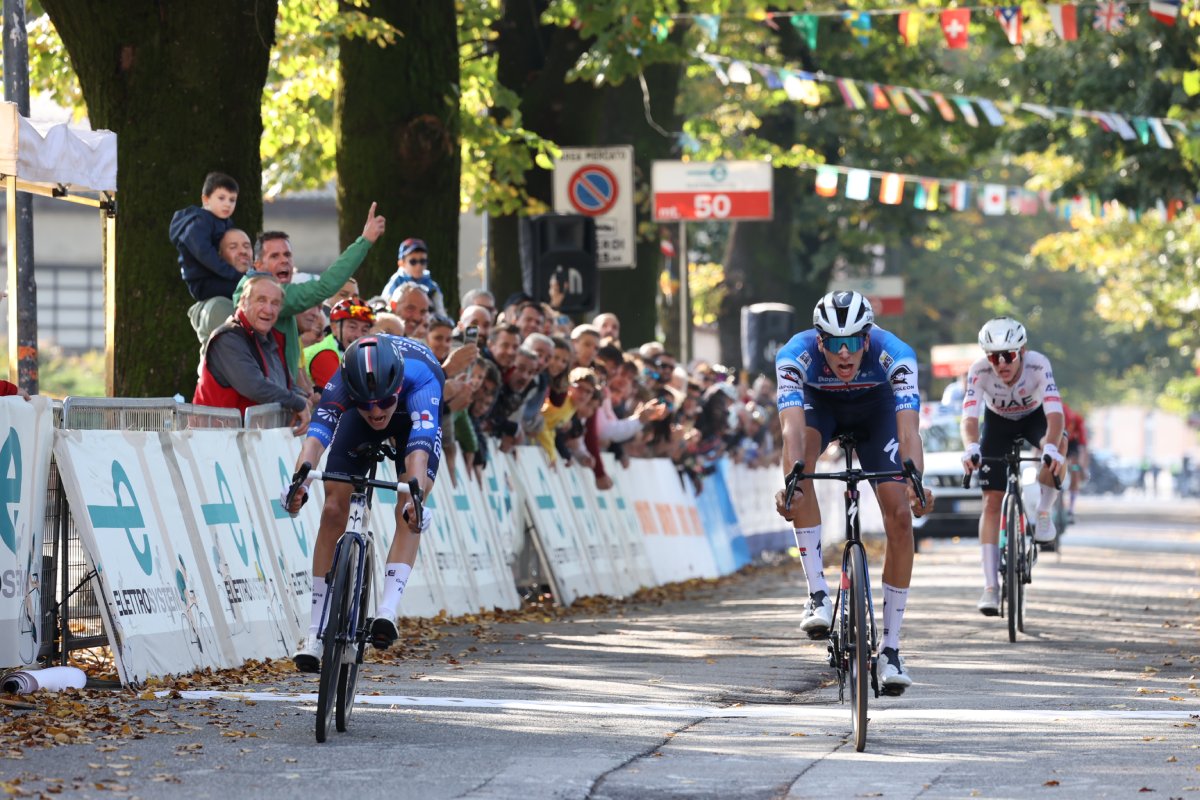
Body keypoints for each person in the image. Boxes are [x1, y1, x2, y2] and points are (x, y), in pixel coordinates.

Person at [773, 291, 934, 695]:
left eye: (852, 342)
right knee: (801, 467)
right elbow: (791, 429)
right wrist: (792, 481)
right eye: (834, 343)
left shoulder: (895, 353)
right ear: (819, 340)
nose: (844, 355)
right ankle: (817, 597)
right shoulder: (795, 355)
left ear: (867, 339)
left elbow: (908, 430)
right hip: (820, 406)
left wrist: (915, 481)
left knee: (899, 515)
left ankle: (891, 650)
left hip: (878, 412)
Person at [284, 335, 445, 672]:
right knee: (332, 508)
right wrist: (300, 479)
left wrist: (415, 497)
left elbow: (420, 446)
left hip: (411, 419)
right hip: (361, 418)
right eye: (365, 403)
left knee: (409, 503)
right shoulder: (343, 380)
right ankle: (315, 631)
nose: (375, 412)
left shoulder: (422, 378)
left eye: (383, 402)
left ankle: (387, 611)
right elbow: (316, 439)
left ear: (395, 390)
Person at [960, 316, 1066, 617]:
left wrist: (1047, 447)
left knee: (1059, 446)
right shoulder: (980, 371)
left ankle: (1044, 513)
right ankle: (991, 587)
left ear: (1022, 351)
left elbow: (1055, 413)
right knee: (991, 502)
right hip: (998, 425)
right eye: (993, 356)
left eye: (1008, 355)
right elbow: (969, 417)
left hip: (1035, 419)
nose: (1001, 363)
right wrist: (971, 447)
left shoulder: (1037, 364)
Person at [232, 202, 386, 388]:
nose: (284, 261)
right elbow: (324, 287)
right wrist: (365, 241)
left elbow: (291, 366)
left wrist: (302, 395)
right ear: (257, 265)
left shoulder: (275, 296)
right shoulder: (264, 290)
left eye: (287, 255)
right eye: (275, 256)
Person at [193, 274, 310, 434]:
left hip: (252, 445)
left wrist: (302, 398)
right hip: (215, 444)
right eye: (261, 300)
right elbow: (254, 386)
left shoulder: (272, 338)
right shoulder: (228, 338)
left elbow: (286, 384)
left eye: (275, 303)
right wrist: (296, 403)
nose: (268, 309)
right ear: (243, 302)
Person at [171, 173, 247, 341]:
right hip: (204, 282)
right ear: (206, 199)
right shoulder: (199, 223)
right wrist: (234, 274)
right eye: (221, 198)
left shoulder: (224, 222)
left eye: (232, 200)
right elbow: (205, 255)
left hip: (217, 276)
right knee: (247, 291)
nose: (227, 204)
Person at [302, 297, 376, 394]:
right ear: (334, 328)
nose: (358, 335)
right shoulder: (325, 354)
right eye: (352, 327)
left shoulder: (353, 353)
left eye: (364, 330)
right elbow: (338, 397)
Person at [382, 238, 447, 316]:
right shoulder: (396, 282)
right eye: (413, 261)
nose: (418, 266)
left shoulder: (432, 287)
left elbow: (440, 312)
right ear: (401, 263)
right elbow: (384, 303)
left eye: (422, 261)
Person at [1061, 400, 1089, 522]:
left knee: (1075, 467)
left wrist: (1081, 466)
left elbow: (1083, 447)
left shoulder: (1077, 420)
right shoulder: (1048, 417)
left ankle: (1071, 508)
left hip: (1071, 444)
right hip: (1056, 439)